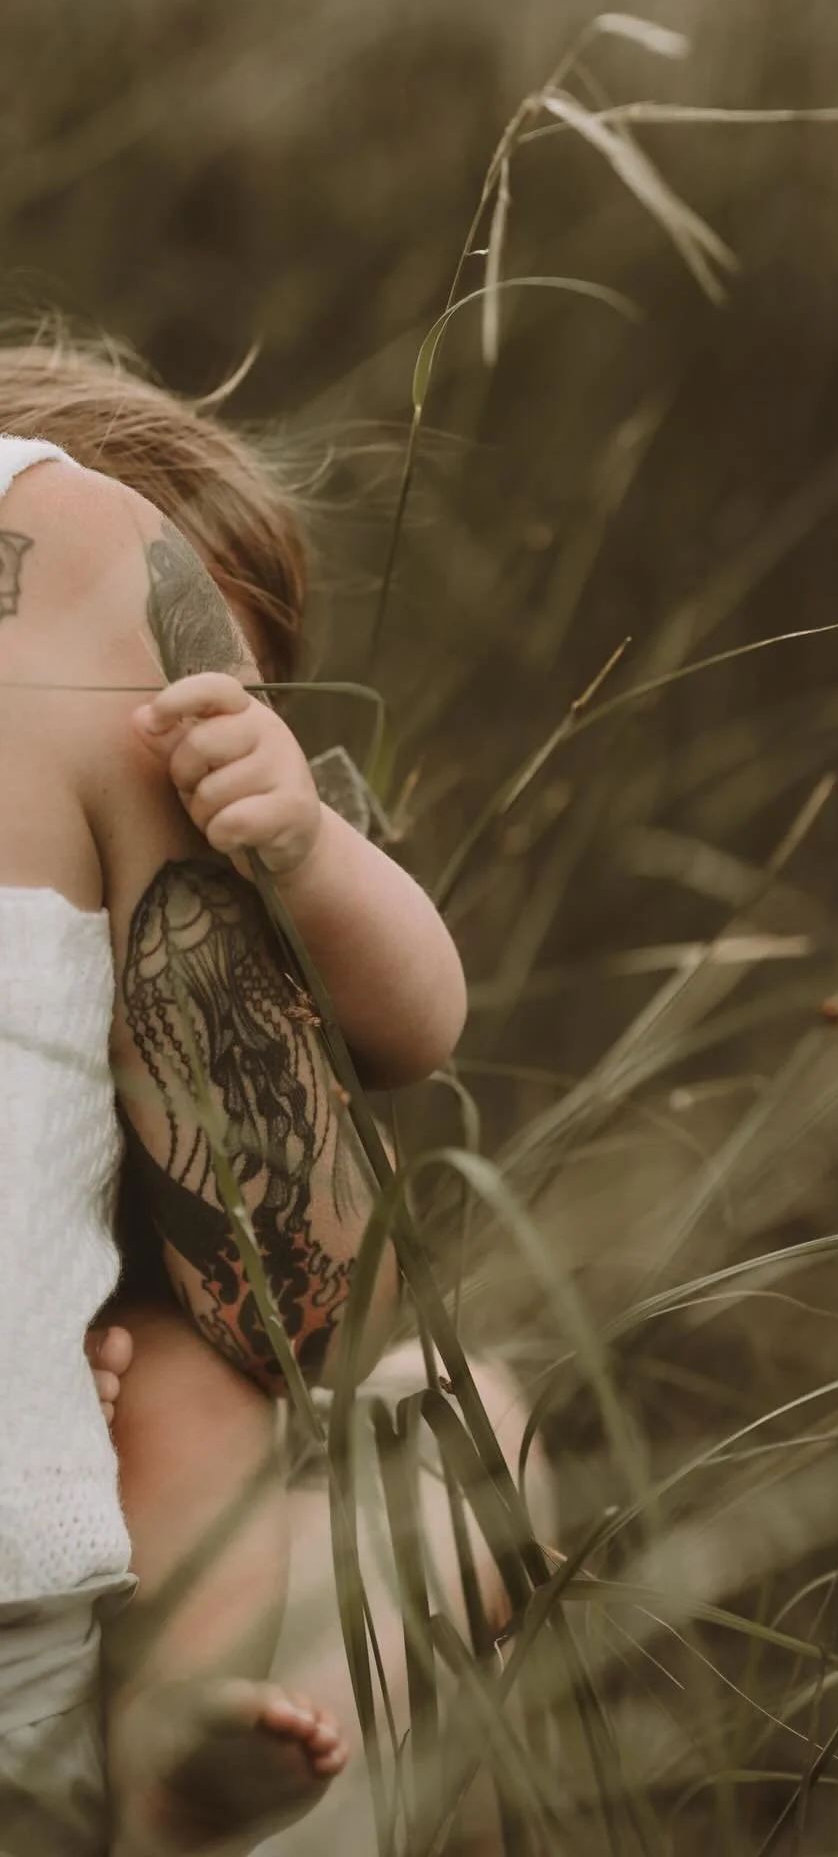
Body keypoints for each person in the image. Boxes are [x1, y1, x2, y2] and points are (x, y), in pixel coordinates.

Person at [0, 334, 473, 1856]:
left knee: (208, 1391)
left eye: (250, 683)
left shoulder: (279, 823)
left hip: (160, 1302)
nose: (205, 729)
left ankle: (179, 1736)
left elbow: (417, 1025)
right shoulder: (86, 633)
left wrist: (312, 853)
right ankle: (171, 1749)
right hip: (82, 1313)